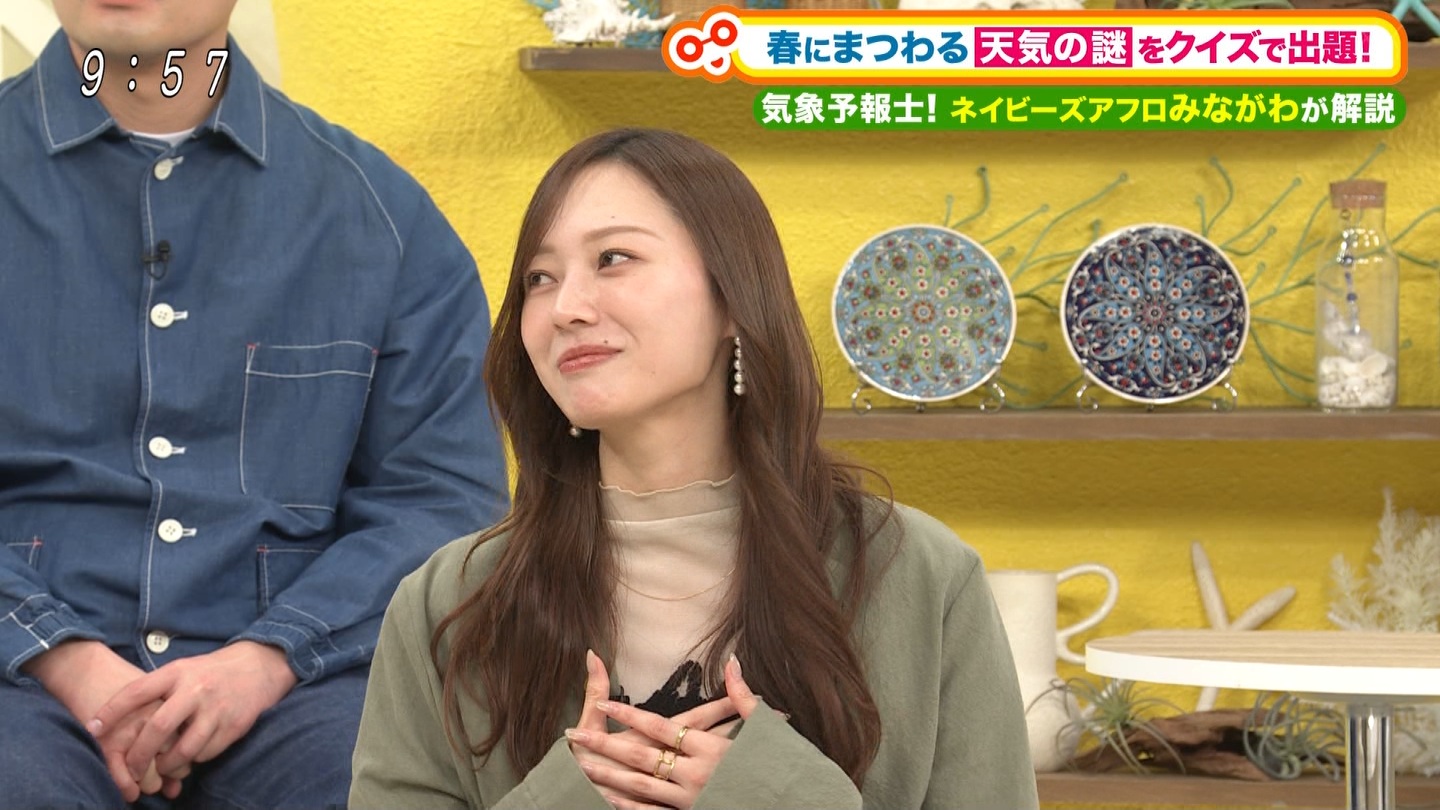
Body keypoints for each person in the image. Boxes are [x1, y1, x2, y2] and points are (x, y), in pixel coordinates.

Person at [349, 127, 1039, 809]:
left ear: (731, 297)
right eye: (540, 278)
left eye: (613, 258)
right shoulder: (449, 603)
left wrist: (783, 798)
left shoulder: (920, 577)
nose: (566, 308)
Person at [0, 1, 508, 807]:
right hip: (14, 679)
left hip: (297, 686)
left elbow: (443, 499)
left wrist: (269, 658)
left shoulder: (381, 215)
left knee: (380, 783)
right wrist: (57, 653)